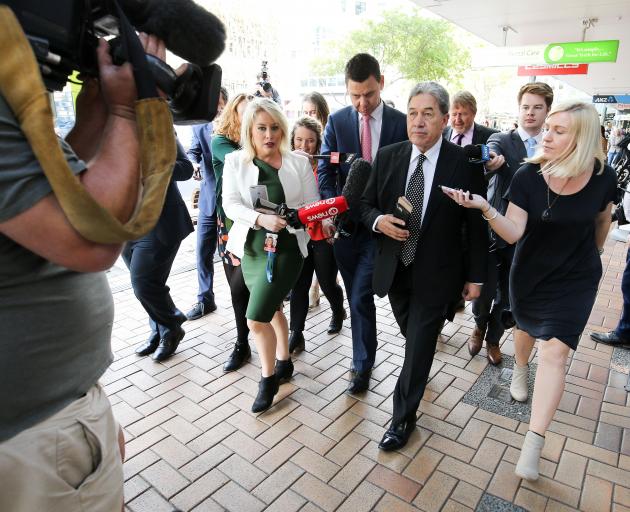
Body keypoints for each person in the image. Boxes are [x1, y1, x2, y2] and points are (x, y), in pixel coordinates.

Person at [0, 31, 166, 511]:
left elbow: (52, 191)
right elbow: (93, 237)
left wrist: (97, 102)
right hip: (32, 437)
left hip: (45, 423)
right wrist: (127, 111)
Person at [442, 100, 616, 481]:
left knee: (554, 353)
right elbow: (515, 231)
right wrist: (486, 207)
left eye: (558, 130)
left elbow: (603, 217)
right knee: (524, 331)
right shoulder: (527, 176)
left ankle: (533, 443)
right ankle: (520, 368)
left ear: (581, 137)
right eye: (547, 128)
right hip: (531, 274)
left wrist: (597, 252)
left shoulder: (604, 176)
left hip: (577, 277)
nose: (546, 135)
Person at [361, 81, 487, 452]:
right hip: (395, 269)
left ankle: (402, 418)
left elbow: (475, 224)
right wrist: (378, 221)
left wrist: (476, 277)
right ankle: (419, 362)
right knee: (412, 335)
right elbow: (365, 204)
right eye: (413, 113)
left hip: (438, 272)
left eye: (428, 114)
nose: (418, 122)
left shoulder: (462, 163)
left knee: (416, 347)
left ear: (445, 119)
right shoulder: (388, 157)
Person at [223, 98, 319, 412]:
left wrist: (323, 220)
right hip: (252, 248)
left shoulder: (299, 163)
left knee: (254, 319)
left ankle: (268, 379)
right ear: (250, 130)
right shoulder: (236, 163)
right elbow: (231, 205)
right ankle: (283, 360)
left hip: (289, 250)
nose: (269, 135)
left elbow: (310, 207)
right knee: (270, 308)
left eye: (275, 127)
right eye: (261, 128)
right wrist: (260, 219)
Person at [318, 53, 407, 394]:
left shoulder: (401, 122)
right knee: (358, 298)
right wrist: (330, 209)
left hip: (382, 229)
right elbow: (326, 170)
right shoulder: (338, 122)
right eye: (354, 95)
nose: (362, 103)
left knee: (359, 296)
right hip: (345, 229)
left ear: (380, 83)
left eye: (368, 94)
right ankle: (363, 359)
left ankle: (361, 366)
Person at [471, 82, 554, 365]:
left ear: (547, 111)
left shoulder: (552, 145)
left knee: (509, 295)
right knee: (484, 289)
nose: (530, 113)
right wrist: (490, 160)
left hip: (530, 238)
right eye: (525, 107)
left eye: (537, 108)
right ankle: (479, 325)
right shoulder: (502, 140)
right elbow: (489, 150)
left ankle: (493, 339)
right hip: (496, 230)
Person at [124, 140, 194, 361]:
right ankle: (159, 331)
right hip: (125, 223)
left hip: (159, 222)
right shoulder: (107, 134)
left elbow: (186, 168)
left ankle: (172, 326)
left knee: (143, 283)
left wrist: (154, 166)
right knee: (149, 285)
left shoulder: (157, 130)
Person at [288, 116, 346, 353]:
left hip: (322, 235)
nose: (304, 146)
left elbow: (330, 197)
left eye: (310, 141)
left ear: (318, 144)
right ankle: (296, 333)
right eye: (299, 140)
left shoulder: (323, 168)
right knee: (299, 285)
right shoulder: (285, 165)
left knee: (326, 282)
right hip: (298, 235)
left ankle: (337, 310)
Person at [442, 91, 498, 318]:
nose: (458, 119)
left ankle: (477, 319)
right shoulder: (443, 133)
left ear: (473, 113)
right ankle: (450, 304)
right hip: (447, 208)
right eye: (454, 114)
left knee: (472, 254)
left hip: (476, 209)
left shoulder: (489, 137)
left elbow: (494, 164)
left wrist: (493, 165)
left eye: (463, 114)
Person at [212, 92, 252, 372]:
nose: (249, 118)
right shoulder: (220, 142)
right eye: (244, 112)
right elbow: (241, 163)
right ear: (233, 115)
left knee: (261, 284)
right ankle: (242, 344)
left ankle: (277, 347)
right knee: (237, 287)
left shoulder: (259, 142)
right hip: (231, 223)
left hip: (258, 220)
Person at [185, 87, 228, 320]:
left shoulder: (235, 125)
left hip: (232, 201)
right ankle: (205, 300)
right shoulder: (198, 125)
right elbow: (192, 152)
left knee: (235, 255)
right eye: (213, 104)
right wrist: (194, 165)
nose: (216, 108)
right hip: (209, 199)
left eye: (220, 103)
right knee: (202, 252)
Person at [301, 91, 331, 308]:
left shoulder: (328, 143)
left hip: (323, 219)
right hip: (303, 223)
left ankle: (320, 290)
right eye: (306, 112)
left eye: (313, 112)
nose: (310, 116)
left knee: (327, 277)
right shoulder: (298, 148)